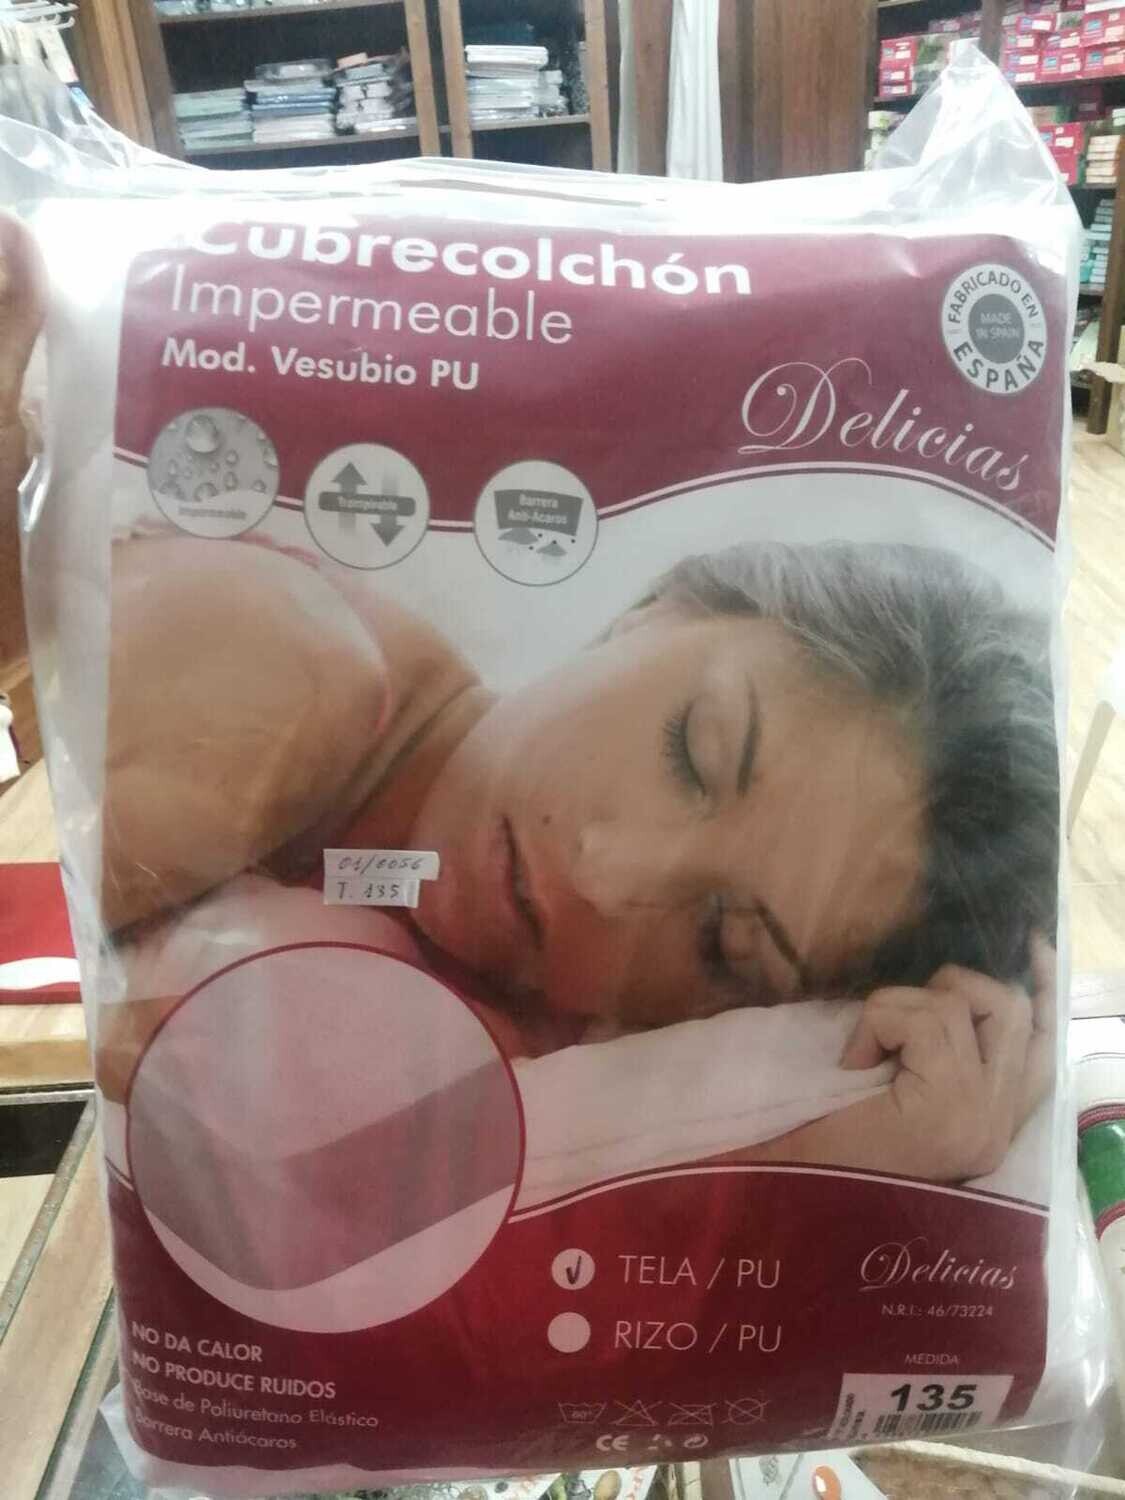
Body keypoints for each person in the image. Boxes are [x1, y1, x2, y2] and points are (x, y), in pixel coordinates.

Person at [0, 216, 1057, 1184]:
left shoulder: (558, 1042)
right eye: (690, 752)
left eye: (725, 944)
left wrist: (858, 1149)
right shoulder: (294, 670)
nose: (603, 873)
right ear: (660, 604)